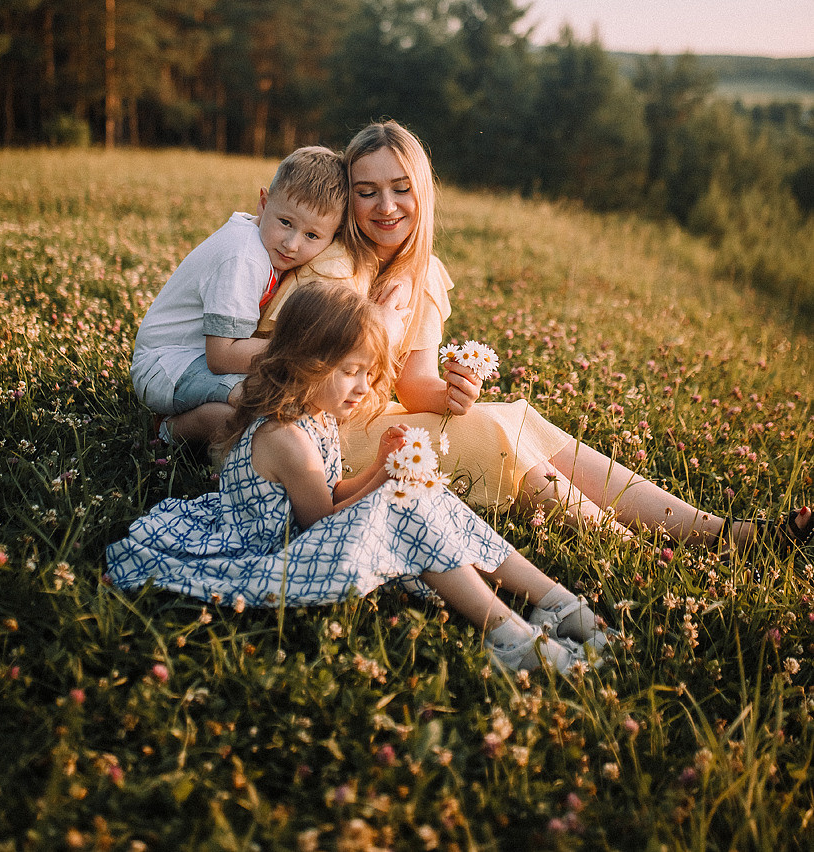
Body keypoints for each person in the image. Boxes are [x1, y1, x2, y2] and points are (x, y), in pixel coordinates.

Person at [335, 121, 813, 559]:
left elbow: (414, 386)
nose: (386, 206)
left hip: (387, 418)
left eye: (402, 189)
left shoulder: (423, 273)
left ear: (423, 193)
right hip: (337, 439)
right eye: (367, 191)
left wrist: (454, 392)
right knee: (495, 433)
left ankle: (720, 532)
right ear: (347, 197)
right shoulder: (334, 264)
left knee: (516, 417)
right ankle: (644, 554)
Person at [107, 283, 612, 677]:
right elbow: (319, 517)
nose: (363, 387)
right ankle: (509, 636)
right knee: (407, 503)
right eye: (350, 371)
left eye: (369, 374)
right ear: (304, 362)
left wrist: (378, 470)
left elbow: (328, 496)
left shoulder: (315, 416)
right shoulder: (286, 438)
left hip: (305, 532)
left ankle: (554, 602)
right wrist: (382, 483)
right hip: (275, 557)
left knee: (422, 494)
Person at [131, 145, 354, 446]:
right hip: (167, 365)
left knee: (255, 410)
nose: (291, 243)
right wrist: (300, 352)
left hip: (193, 362)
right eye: (285, 223)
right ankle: (168, 431)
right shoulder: (244, 258)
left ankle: (186, 422)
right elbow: (221, 357)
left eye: (311, 236)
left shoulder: (266, 246)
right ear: (264, 203)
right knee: (263, 406)